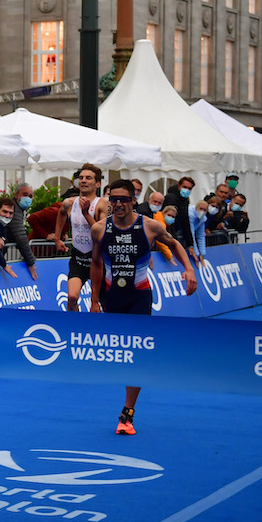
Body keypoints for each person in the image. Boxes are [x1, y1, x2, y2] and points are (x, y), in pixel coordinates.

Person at [89, 180, 196, 435]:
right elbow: (95, 263)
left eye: (123, 199)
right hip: (111, 297)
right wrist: (94, 300)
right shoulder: (99, 229)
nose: (118, 204)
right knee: (114, 356)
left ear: (133, 200)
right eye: (113, 199)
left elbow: (174, 244)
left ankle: (127, 414)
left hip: (139, 298)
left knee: (134, 357)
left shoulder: (149, 226)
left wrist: (189, 269)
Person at [54, 164, 108, 311]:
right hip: (78, 258)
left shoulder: (102, 203)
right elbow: (61, 214)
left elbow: (100, 234)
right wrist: (57, 238)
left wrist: (86, 213)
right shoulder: (70, 202)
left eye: (88, 178)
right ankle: (75, 327)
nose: (83, 181)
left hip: (97, 259)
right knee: (71, 297)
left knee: (100, 302)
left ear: (97, 184)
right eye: (81, 178)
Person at [6, 184, 39, 280]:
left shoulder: (20, 209)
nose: (27, 198)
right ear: (16, 195)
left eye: (30, 196)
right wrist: (30, 262)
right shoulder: (13, 209)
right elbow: (20, 236)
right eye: (25, 194)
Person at [161, 176, 196, 251]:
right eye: (185, 187)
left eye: (189, 188)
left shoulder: (185, 200)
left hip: (174, 234)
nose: (187, 190)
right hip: (166, 235)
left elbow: (186, 222)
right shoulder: (171, 198)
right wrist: (175, 243)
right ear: (178, 186)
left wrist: (190, 244)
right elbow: (169, 221)